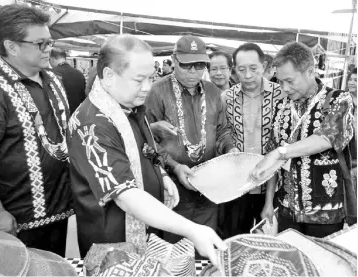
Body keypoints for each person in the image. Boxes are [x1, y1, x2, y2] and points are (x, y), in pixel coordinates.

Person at [67, 34, 227, 263]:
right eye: (138, 79)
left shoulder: (130, 105)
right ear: (109, 76)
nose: (147, 88)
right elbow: (126, 195)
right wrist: (192, 229)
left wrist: (161, 174)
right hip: (113, 242)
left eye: (150, 78)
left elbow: (145, 149)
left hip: (147, 231)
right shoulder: (92, 124)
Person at [250, 42, 355, 237]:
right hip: (287, 209)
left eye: (290, 81)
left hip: (326, 212)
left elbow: (326, 138)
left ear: (310, 71)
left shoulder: (339, 100)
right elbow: (273, 162)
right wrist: (268, 202)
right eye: (279, 81)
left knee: (321, 266)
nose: (284, 88)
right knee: (292, 264)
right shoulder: (281, 108)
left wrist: (279, 152)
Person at [145, 35, 238, 249]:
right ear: (174, 60)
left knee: (205, 247)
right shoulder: (156, 92)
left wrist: (231, 148)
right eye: (187, 65)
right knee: (175, 250)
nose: (194, 71)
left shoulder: (213, 92)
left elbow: (222, 130)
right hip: (174, 188)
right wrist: (175, 167)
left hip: (208, 185)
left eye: (199, 65)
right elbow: (147, 142)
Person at [0, 4, 73, 256]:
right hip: (16, 221)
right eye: (41, 44)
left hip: (60, 208)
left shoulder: (53, 80)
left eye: (50, 42)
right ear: (11, 46)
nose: (49, 49)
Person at [219, 43, 284, 238]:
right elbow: (223, 134)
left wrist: (270, 202)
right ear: (234, 70)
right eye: (241, 69)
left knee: (271, 242)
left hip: (275, 186)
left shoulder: (281, 95)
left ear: (264, 66)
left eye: (253, 68)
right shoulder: (226, 98)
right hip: (238, 186)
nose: (248, 75)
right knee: (235, 239)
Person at [50, 48, 86, 114]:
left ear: (51, 59)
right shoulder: (79, 74)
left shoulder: (51, 74)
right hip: (77, 114)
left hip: (61, 115)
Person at [347, 68, 357, 193]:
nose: (351, 82)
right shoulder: (343, 101)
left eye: (355, 80)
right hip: (347, 158)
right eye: (350, 79)